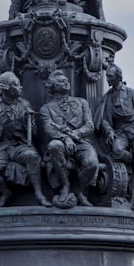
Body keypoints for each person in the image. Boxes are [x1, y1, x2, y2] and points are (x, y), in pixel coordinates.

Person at [0, 71, 52, 208]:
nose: (21, 88)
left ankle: (39, 194)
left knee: (31, 156)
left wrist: (30, 122)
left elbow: (34, 133)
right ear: (6, 88)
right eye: (16, 85)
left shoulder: (25, 104)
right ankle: (5, 192)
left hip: (19, 145)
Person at [97, 64, 134, 212]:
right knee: (116, 150)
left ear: (118, 77)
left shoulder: (130, 93)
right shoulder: (107, 97)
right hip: (120, 131)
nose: (108, 79)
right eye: (107, 76)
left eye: (110, 76)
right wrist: (109, 130)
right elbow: (104, 119)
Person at [39, 70, 100, 207]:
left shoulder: (82, 102)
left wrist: (76, 134)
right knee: (54, 145)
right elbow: (49, 129)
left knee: (92, 163)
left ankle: (79, 190)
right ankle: (65, 185)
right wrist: (65, 138)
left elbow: (90, 126)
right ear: (52, 87)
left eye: (66, 80)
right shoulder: (46, 109)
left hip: (82, 142)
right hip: (61, 143)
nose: (66, 83)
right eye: (61, 81)